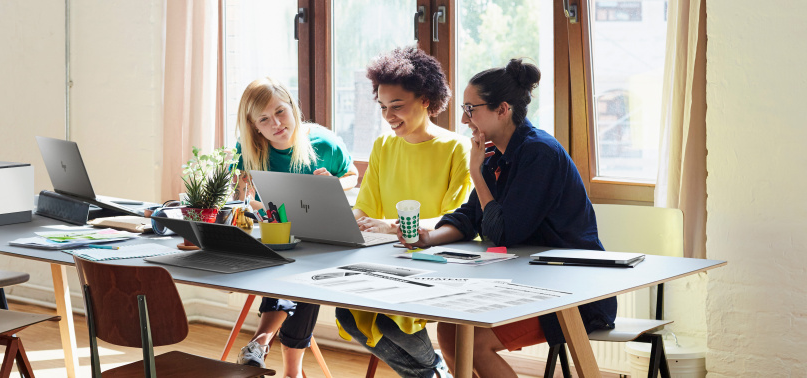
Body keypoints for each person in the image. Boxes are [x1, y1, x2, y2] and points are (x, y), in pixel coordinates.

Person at [404, 59, 617, 378]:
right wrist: (428, 237)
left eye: (470, 109)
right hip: (528, 282)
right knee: (451, 330)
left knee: (473, 342)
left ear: (502, 109)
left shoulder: (539, 154)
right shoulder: (496, 155)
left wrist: (475, 173)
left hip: (571, 294)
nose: (463, 119)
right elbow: (470, 217)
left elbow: (503, 233)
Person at [335, 46, 471, 378]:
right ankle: (434, 372)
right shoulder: (383, 146)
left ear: (425, 99)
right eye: (383, 107)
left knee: (389, 319)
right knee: (347, 314)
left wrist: (389, 226)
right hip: (387, 257)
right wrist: (330, 219)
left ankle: (432, 371)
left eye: (397, 106)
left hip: (436, 257)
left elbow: (458, 219)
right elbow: (364, 208)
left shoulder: (457, 147)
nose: (389, 116)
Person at [232, 77, 357, 378]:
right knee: (293, 269)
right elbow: (240, 199)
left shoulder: (323, 143)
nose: (276, 123)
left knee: (303, 271)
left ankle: (260, 343)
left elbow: (353, 176)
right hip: (276, 237)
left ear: (292, 108)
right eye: (264, 119)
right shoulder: (247, 149)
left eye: (280, 111)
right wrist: (247, 196)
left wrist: (332, 184)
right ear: (254, 127)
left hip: (320, 236)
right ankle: (291, 372)